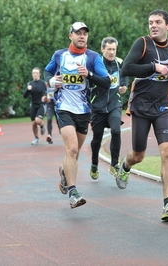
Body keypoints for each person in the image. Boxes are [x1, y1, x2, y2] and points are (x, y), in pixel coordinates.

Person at [119, 10, 168, 221]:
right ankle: (125, 165)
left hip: (163, 106)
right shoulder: (143, 43)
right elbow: (127, 68)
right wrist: (153, 67)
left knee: (167, 152)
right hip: (141, 105)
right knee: (138, 154)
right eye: (150, 22)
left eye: (158, 22)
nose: (153, 26)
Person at [44, 22, 110, 209]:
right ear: (70, 35)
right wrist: (50, 80)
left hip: (84, 110)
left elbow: (106, 82)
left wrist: (89, 75)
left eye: (85, 34)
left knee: (75, 152)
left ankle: (65, 172)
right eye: (78, 33)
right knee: (72, 149)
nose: (82, 36)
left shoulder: (93, 58)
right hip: (64, 107)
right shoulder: (59, 55)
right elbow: (47, 71)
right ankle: (73, 193)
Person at [89, 37, 129, 179]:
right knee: (97, 138)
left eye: (114, 49)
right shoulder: (95, 63)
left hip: (114, 104)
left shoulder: (119, 63)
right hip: (98, 106)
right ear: (102, 49)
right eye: (109, 49)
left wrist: (124, 87)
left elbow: (124, 79)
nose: (112, 52)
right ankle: (94, 164)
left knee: (116, 131)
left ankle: (114, 164)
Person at [23, 67, 47, 145]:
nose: (35, 74)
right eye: (34, 73)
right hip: (33, 105)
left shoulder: (43, 83)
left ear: (39, 74)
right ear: (32, 74)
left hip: (41, 105)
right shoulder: (30, 84)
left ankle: (42, 126)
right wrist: (28, 89)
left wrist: (46, 96)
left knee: (38, 120)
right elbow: (24, 96)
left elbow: (49, 92)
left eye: (37, 73)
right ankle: (36, 138)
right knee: (33, 123)